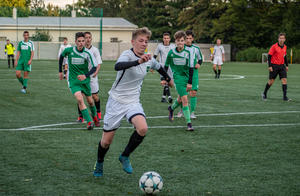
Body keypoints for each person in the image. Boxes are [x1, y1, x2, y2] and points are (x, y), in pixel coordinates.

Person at [93, 27, 172, 177]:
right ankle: (100, 162)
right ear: (133, 42)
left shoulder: (149, 59)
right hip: (116, 101)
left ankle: (125, 156)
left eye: (146, 41)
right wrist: (137, 61)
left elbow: (159, 67)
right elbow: (118, 66)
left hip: (133, 102)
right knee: (106, 142)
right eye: (140, 41)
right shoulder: (127, 55)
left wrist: (168, 79)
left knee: (142, 128)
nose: (143, 44)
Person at [58, 32, 99, 130]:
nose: (81, 43)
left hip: (85, 81)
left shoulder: (88, 53)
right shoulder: (69, 50)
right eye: (79, 41)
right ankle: (89, 122)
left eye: (83, 41)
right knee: (80, 99)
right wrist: (60, 71)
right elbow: (61, 57)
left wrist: (85, 75)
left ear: (85, 42)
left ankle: (95, 118)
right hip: (73, 81)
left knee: (90, 102)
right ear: (75, 42)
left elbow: (94, 67)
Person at [166, 30, 194, 131]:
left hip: (187, 78)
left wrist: (190, 82)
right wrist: (165, 79)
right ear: (175, 41)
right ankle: (189, 124)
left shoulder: (189, 52)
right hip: (177, 78)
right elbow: (165, 66)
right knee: (185, 100)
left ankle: (171, 108)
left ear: (184, 41)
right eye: (178, 41)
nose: (180, 43)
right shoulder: (171, 52)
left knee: (180, 99)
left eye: (182, 40)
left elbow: (191, 68)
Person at [76, 32, 102, 125]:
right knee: (80, 97)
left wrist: (96, 72)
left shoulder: (95, 50)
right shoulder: (79, 50)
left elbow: (98, 63)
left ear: (91, 39)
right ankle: (80, 116)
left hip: (92, 77)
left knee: (94, 97)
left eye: (89, 37)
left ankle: (98, 112)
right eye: (86, 38)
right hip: (82, 77)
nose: (87, 39)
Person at [177, 30, 203, 119]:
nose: (188, 40)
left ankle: (192, 112)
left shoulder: (196, 48)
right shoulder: (181, 48)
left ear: (193, 39)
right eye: (186, 38)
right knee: (182, 94)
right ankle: (182, 110)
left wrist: (199, 64)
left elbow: (200, 59)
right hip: (184, 74)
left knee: (193, 92)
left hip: (194, 73)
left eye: (190, 38)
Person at [262, 33, 291, 101]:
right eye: (280, 38)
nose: (281, 40)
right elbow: (269, 56)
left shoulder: (285, 47)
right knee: (271, 81)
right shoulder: (274, 46)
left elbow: (285, 56)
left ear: (284, 39)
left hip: (282, 66)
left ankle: (284, 97)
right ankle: (264, 93)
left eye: (282, 38)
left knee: (284, 80)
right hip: (274, 66)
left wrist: (286, 65)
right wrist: (269, 66)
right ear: (278, 39)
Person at [154, 32, 176, 103]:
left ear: (170, 39)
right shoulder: (159, 46)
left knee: (169, 82)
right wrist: (152, 66)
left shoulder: (173, 46)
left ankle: (163, 97)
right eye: (165, 38)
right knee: (165, 81)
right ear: (163, 39)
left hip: (170, 67)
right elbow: (155, 56)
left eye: (167, 38)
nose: (166, 39)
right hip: (162, 67)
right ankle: (169, 97)